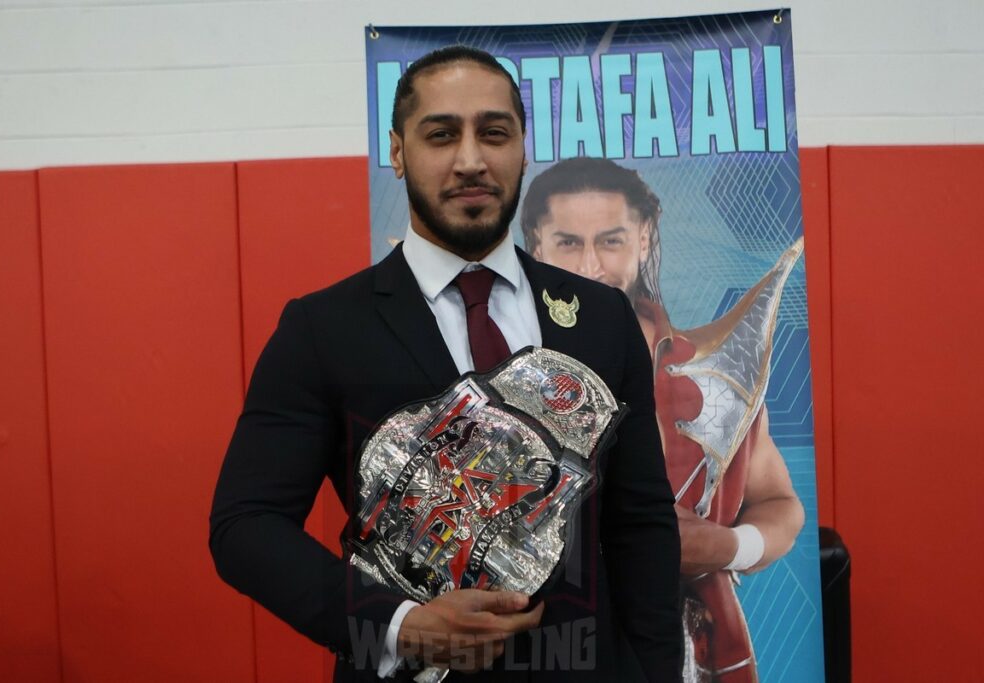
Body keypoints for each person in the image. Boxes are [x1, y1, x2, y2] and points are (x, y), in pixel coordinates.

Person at [209, 47, 682, 682]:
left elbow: (642, 525)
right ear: (399, 153)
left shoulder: (600, 316)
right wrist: (401, 625)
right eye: (440, 135)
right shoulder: (321, 328)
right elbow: (246, 527)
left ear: (521, 147)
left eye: (493, 133)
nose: (470, 160)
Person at [521, 157, 805, 683]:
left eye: (610, 241)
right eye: (567, 242)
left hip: (691, 652)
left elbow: (780, 504)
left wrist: (730, 547)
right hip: (542, 647)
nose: (590, 267)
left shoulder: (713, 370)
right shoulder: (498, 369)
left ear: (645, 239)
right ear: (535, 245)